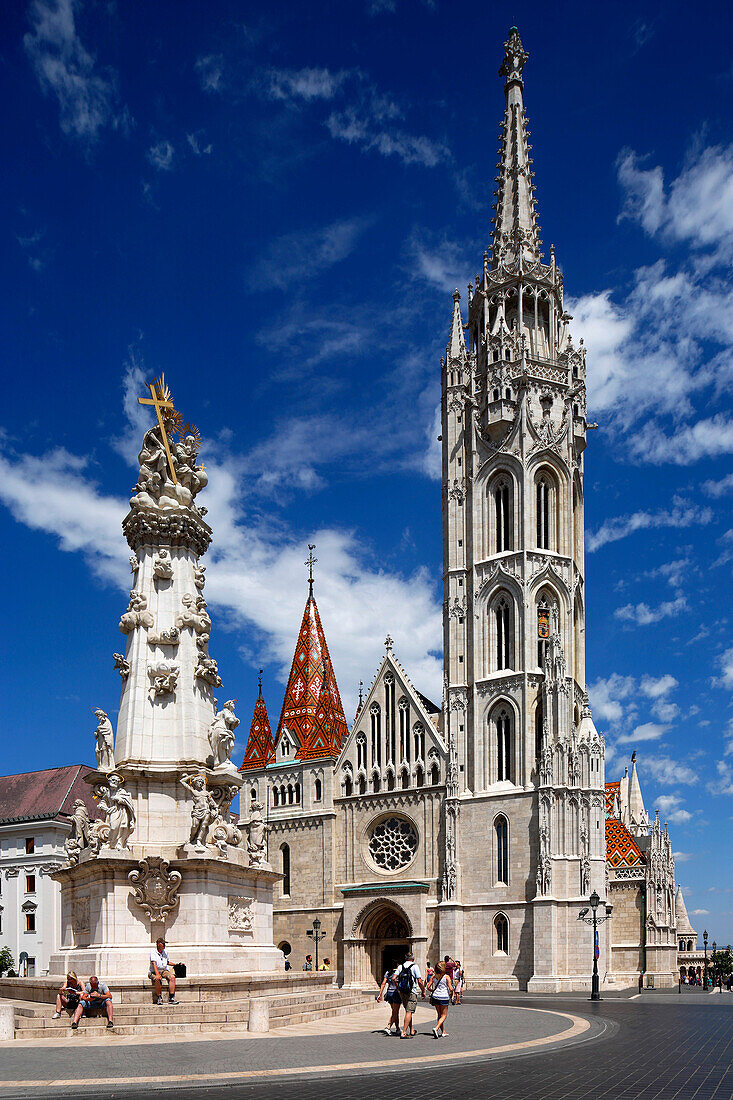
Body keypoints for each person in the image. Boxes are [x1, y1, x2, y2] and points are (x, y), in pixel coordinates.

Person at [392, 951, 426, 1038]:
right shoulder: (415, 966)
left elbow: (393, 978)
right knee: (409, 1011)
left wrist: (398, 988)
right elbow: (419, 980)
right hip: (411, 991)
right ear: (413, 958)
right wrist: (423, 990)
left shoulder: (400, 966)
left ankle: (411, 1030)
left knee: (408, 1010)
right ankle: (403, 1032)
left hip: (402, 992)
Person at [425, 960, 454, 1038]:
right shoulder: (446, 977)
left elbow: (428, 987)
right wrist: (452, 992)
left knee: (439, 1015)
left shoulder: (433, 976)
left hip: (435, 996)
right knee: (444, 1015)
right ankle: (436, 1028)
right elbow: (451, 988)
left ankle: (443, 1031)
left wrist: (432, 991)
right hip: (444, 997)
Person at [149, 937, 179, 1006]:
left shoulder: (165, 952)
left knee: (172, 977)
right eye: (163, 944)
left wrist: (176, 964)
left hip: (164, 970)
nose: (164, 945)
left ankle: (171, 998)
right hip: (154, 971)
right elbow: (154, 964)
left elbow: (167, 962)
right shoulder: (153, 952)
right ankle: (159, 997)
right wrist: (157, 974)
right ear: (158, 944)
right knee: (157, 979)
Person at [377, 965, 402, 1035]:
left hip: (389, 993)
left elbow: (383, 983)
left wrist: (380, 994)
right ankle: (388, 1027)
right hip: (396, 993)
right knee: (395, 1012)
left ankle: (397, 1028)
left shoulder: (388, 972)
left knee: (395, 1011)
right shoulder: (398, 972)